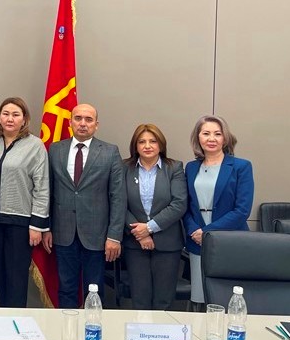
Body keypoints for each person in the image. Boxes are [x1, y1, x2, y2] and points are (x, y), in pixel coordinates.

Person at [43, 103, 125, 308]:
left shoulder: (110, 152)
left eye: (88, 119)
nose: (82, 123)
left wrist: (114, 236)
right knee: (66, 289)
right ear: (70, 122)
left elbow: (118, 196)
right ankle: (67, 327)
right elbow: (48, 191)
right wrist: (47, 228)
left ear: (96, 125)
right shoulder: (55, 149)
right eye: (78, 118)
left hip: (97, 235)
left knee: (94, 291)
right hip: (63, 232)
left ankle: (92, 328)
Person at [0, 97, 49, 308]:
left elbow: (42, 186)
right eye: (6, 114)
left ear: (24, 119)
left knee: (16, 278)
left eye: (16, 114)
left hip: (21, 223)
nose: (10, 119)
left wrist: (37, 225)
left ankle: (15, 322)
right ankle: (2, 319)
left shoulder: (35, 145)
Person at [183, 115, 254, 309]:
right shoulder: (191, 167)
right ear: (198, 138)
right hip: (197, 242)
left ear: (225, 138)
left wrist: (207, 232)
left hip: (230, 241)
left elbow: (242, 210)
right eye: (206, 133)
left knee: (228, 299)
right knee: (199, 297)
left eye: (217, 134)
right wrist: (194, 231)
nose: (211, 139)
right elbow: (185, 206)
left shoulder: (241, 166)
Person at [122, 124, 188, 310]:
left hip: (167, 243)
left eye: (153, 141)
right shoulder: (124, 167)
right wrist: (140, 234)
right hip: (135, 243)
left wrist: (149, 228)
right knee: (140, 299)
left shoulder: (174, 167)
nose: (147, 146)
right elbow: (119, 203)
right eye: (142, 142)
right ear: (135, 146)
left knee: (163, 301)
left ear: (161, 144)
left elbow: (179, 203)